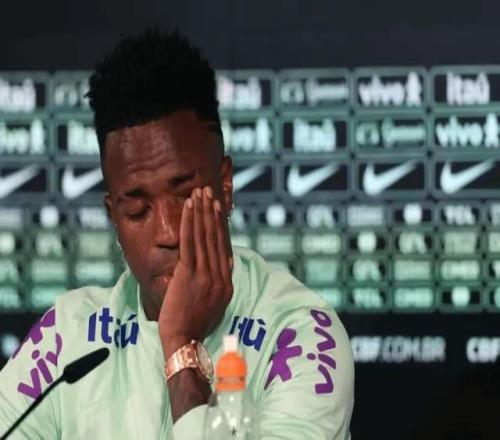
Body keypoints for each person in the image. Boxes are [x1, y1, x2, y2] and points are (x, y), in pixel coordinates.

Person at [0, 29, 354, 439]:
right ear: (113, 217)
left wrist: (182, 345)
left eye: (186, 196)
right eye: (137, 210)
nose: (168, 232)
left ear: (225, 186)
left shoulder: (301, 334)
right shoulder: (67, 337)